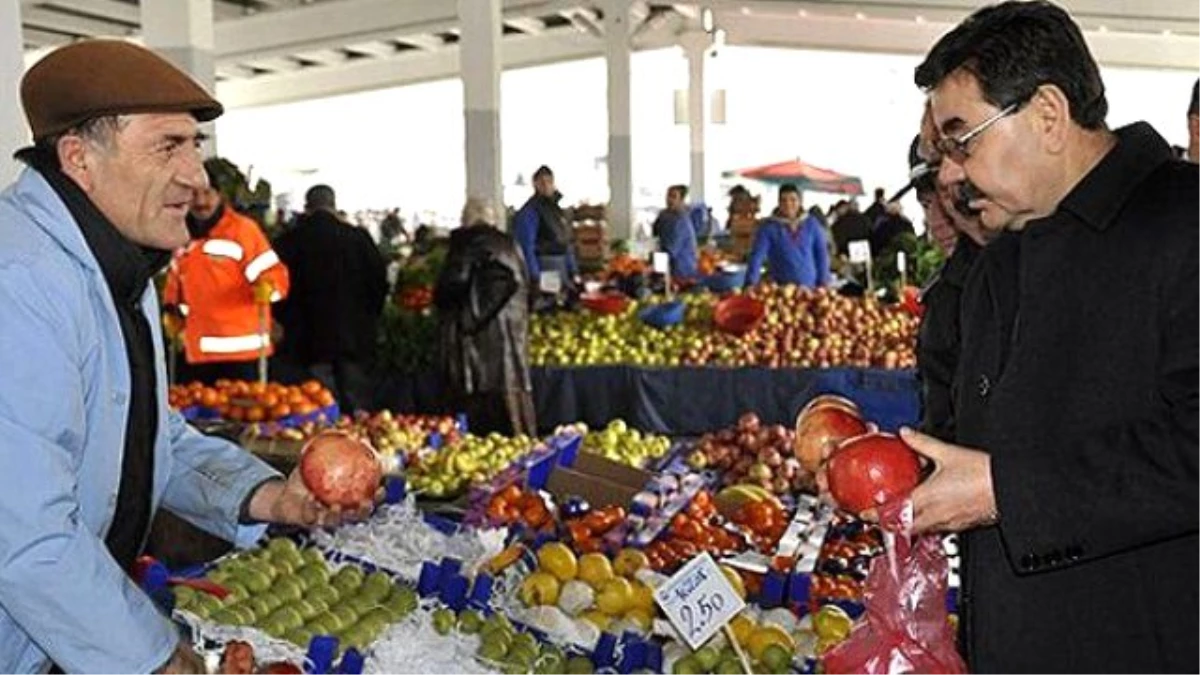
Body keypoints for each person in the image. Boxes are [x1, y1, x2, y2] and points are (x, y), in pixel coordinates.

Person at [0, 39, 371, 675]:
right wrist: (151, 655)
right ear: (79, 158)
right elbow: (25, 533)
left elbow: (142, 434)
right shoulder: (20, 280)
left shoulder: (118, 264)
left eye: (195, 146)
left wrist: (267, 496)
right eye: (168, 146)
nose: (197, 176)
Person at [891, 2, 1200, 671]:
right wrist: (898, 478)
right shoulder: (999, 258)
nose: (948, 176)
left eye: (961, 140)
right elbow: (985, 448)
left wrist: (1009, 492)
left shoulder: (1185, 223)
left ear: (1049, 115)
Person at [163, 161, 290, 385]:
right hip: (196, 352)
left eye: (207, 193)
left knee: (245, 415)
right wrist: (171, 309)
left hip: (243, 353)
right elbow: (176, 280)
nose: (201, 201)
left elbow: (275, 275)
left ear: (220, 195)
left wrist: (267, 288)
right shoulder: (180, 235)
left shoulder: (243, 230)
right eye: (194, 194)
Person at [273, 185, 388, 413]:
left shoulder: (289, 242)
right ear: (334, 205)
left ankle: (327, 441)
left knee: (318, 403)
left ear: (307, 208)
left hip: (309, 337)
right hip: (354, 335)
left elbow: (277, 288)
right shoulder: (358, 239)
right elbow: (379, 283)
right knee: (359, 400)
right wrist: (369, 317)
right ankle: (361, 438)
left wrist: (286, 322)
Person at [434, 198, 536, 436]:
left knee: (479, 423)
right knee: (512, 418)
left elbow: (451, 287)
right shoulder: (510, 245)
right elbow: (526, 287)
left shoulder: (466, 244)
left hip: (476, 350)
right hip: (511, 344)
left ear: (465, 219)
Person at [744, 183, 831, 287]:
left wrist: (823, 282)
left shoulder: (812, 224)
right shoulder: (768, 227)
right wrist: (750, 283)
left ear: (800, 202)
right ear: (778, 203)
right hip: (780, 290)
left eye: (793, 200)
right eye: (783, 200)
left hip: (810, 289)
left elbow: (821, 255)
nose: (788, 204)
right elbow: (757, 257)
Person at [513, 165, 577, 287]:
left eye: (549, 181)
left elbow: (565, 242)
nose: (547, 186)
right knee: (549, 301)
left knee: (562, 302)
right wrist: (534, 275)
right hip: (545, 266)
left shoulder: (556, 210)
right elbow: (526, 245)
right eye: (542, 182)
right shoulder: (530, 211)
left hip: (561, 264)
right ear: (535, 184)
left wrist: (573, 270)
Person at [651, 184, 698, 278]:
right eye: (668, 196)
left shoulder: (681, 221)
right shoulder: (665, 215)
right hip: (668, 263)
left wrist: (655, 269)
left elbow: (670, 250)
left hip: (681, 269)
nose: (669, 200)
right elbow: (655, 234)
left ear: (681, 200)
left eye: (674, 197)